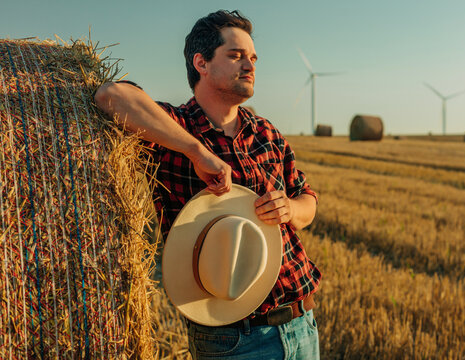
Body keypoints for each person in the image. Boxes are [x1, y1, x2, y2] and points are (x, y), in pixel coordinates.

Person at [95, 9, 321, 360]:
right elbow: (110, 96)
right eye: (235, 56)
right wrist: (194, 150)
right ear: (200, 62)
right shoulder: (174, 128)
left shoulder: (265, 131)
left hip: (301, 323)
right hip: (233, 341)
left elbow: (308, 200)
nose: (249, 65)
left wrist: (290, 208)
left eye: (253, 57)